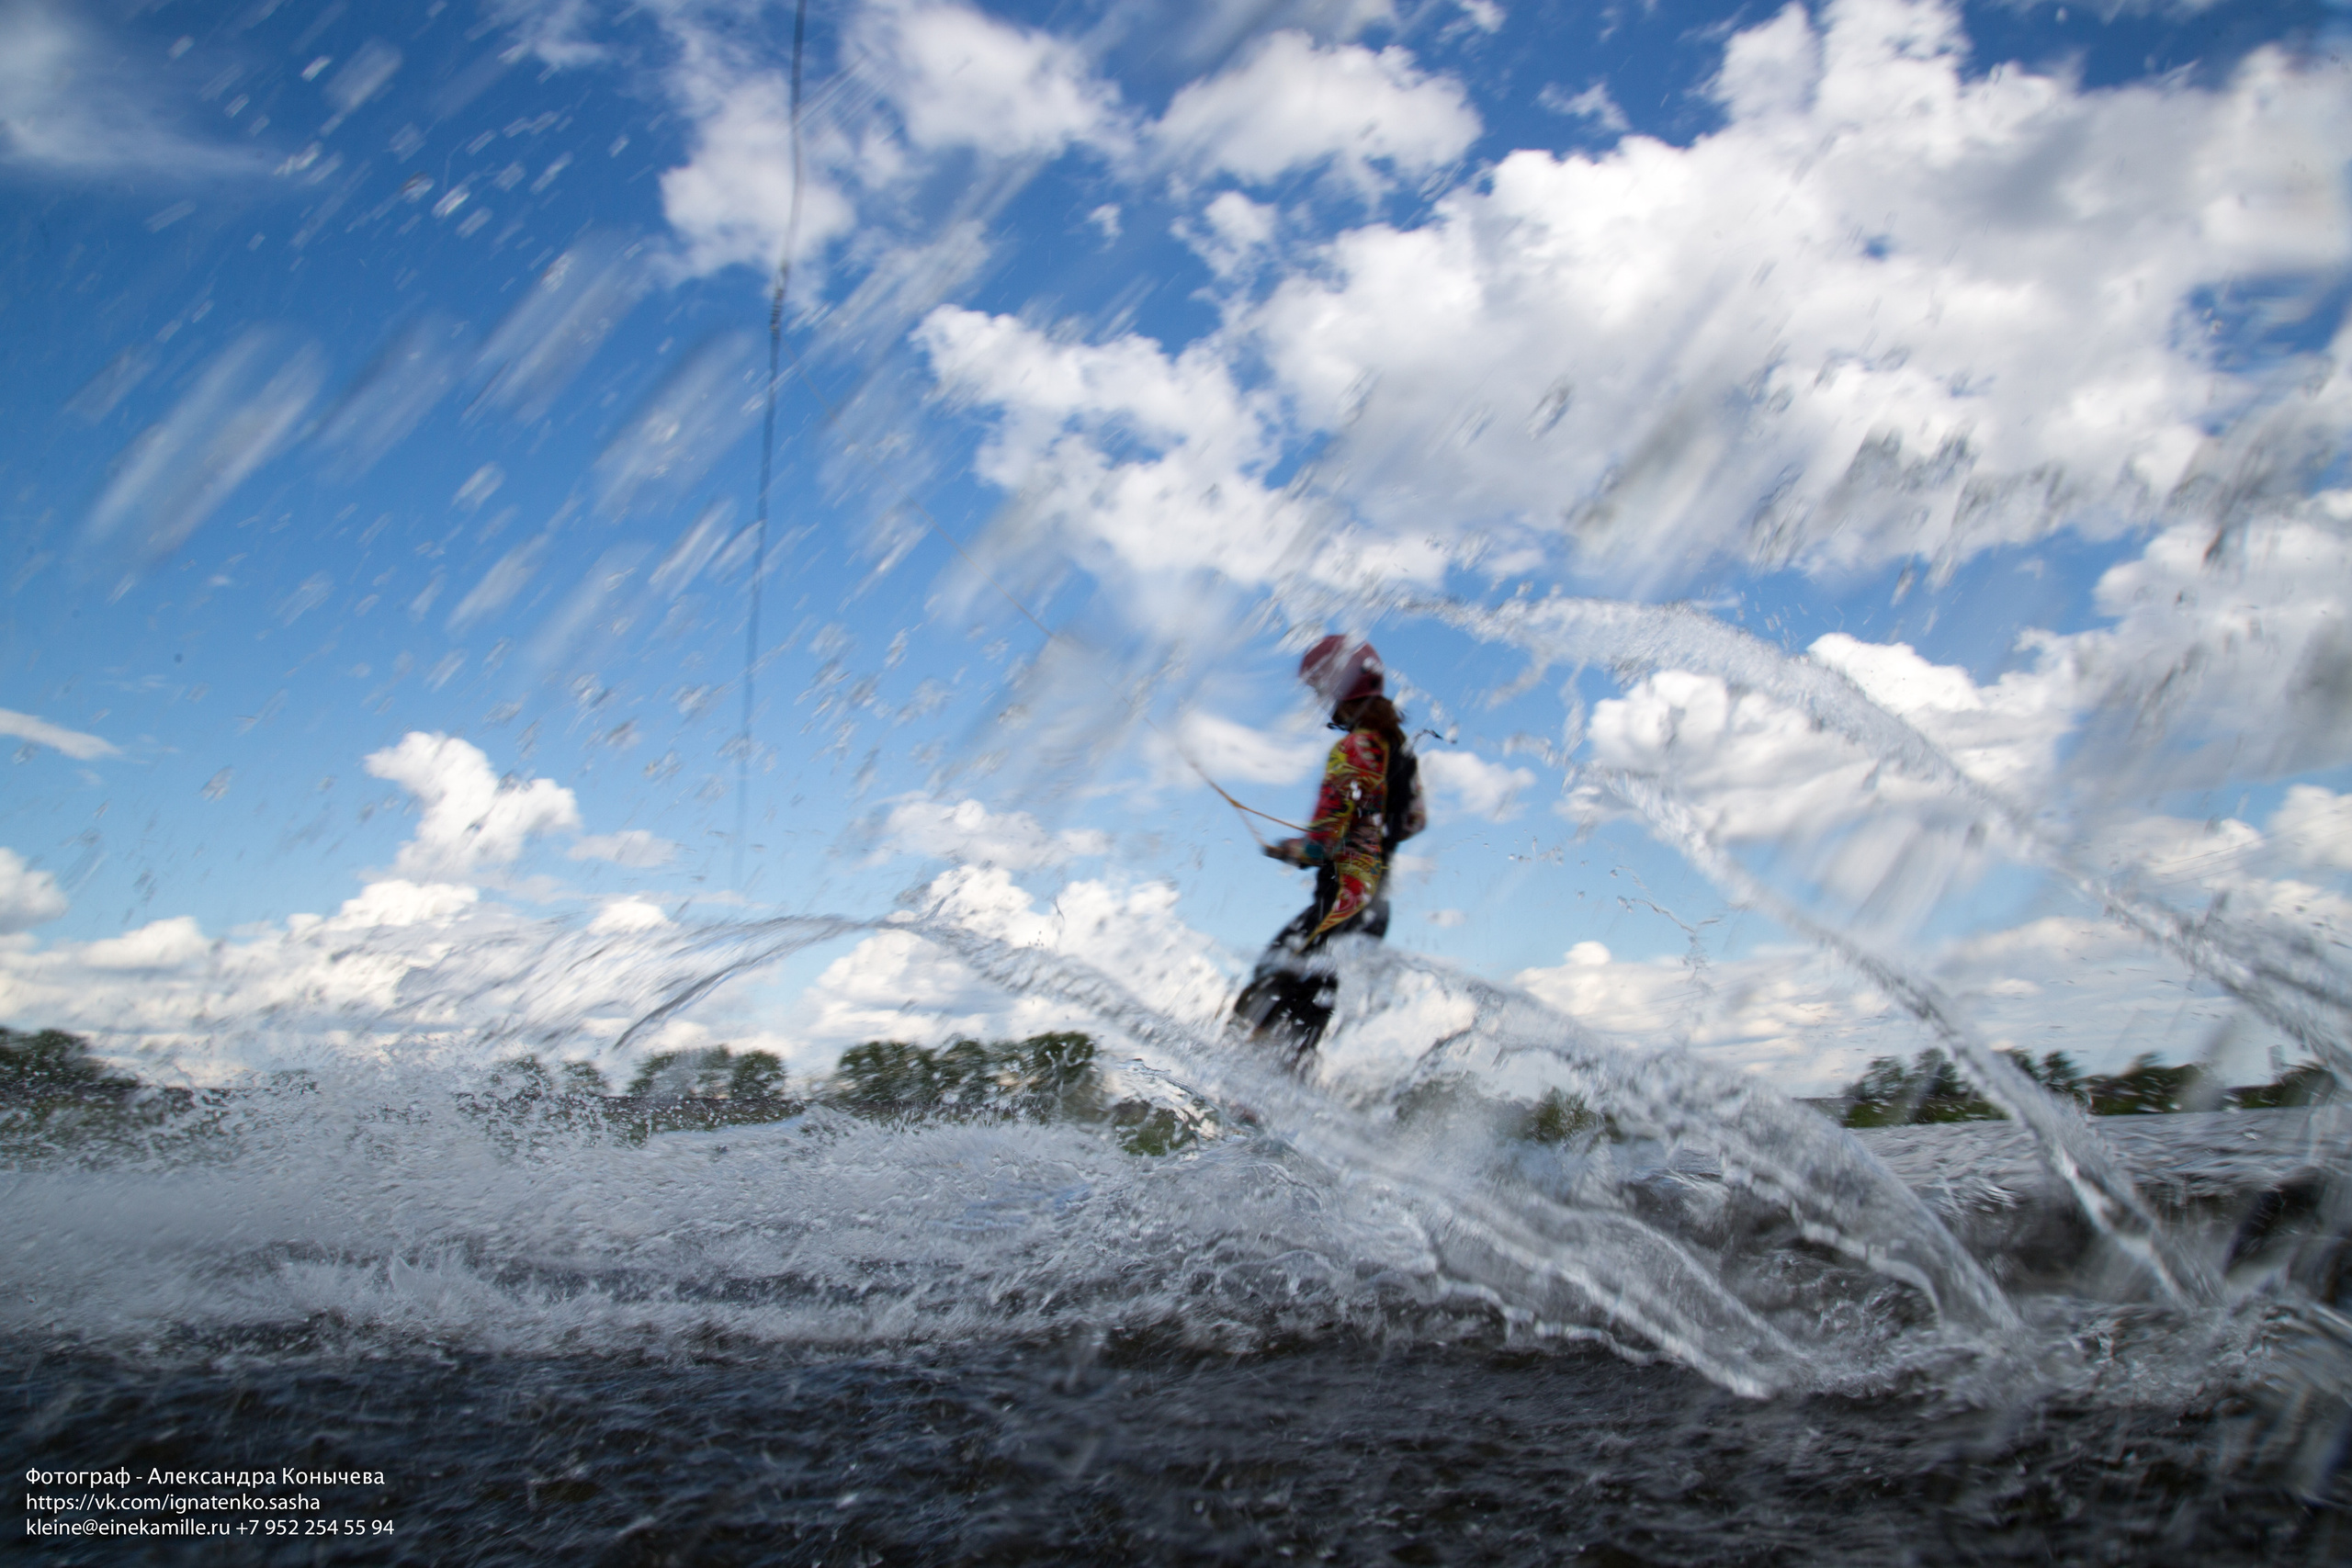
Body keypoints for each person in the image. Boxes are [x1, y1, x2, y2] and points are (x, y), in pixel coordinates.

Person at [1230, 636, 1427, 1065]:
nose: (1320, 700)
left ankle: (1246, 1107)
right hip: (1373, 911)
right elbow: (1414, 822)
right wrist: (1369, 834)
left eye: (1321, 690)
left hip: (1337, 910)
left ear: (1339, 690)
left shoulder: (1353, 749)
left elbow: (1318, 849)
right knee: (1304, 1024)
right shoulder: (1401, 751)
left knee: (1264, 994)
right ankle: (1286, 1109)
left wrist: (1284, 849)